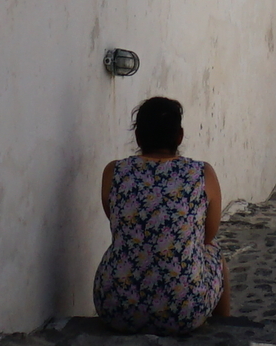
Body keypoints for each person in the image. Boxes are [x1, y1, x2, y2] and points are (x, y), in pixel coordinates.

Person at [93, 94, 229, 332]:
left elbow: (116, 220)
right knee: (214, 252)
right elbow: (207, 237)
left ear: (137, 136)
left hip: (116, 308)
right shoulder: (201, 173)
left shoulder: (114, 171)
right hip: (185, 311)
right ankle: (225, 330)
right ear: (180, 136)